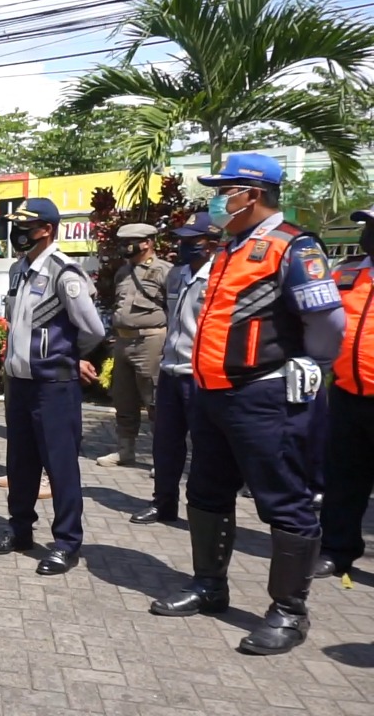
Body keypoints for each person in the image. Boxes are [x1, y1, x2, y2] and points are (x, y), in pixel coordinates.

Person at [149, 153, 345, 656]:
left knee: (284, 498)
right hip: (213, 394)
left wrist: (311, 363)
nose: (218, 199)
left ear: (252, 194)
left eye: (225, 189)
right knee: (207, 491)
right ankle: (209, 585)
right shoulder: (231, 247)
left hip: (265, 395)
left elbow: (327, 320)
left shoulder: (295, 247)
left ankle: (288, 611)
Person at [0, 197, 105, 575]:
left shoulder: (64, 273)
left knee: (61, 465)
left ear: (46, 229)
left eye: (25, 227)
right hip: (19, 383)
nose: (17, 232)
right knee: (20, 464)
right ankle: (20, 530)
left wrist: (70, 357)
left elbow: (94, 330)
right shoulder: (21, 269)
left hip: (53, 386)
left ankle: (67, 543)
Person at [131, 213, 220, 524]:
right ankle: (163, 503)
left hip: (200, 375)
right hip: (170, 370)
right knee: (165, 444)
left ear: (210, 245)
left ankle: (200, 509)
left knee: (204, 447)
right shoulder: (178, 274)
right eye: (181, 239)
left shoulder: (220, 277)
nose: (183, 245)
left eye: (191, 241)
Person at [315, 208, 374, 579]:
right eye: (369, 226)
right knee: (343, 478)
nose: (370, 233)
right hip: (348, 392)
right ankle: (337, 550)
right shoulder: (349, 271)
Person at [97, 224, 172, 467]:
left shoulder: (164, 271)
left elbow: (174, 309)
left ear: (148, 242)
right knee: (123, 399)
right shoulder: (123, 273)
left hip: (150, 340)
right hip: (123, 341)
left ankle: (162, 458)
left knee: (154, 400)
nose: (125, 245)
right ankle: (125, 450)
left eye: (132, 241)